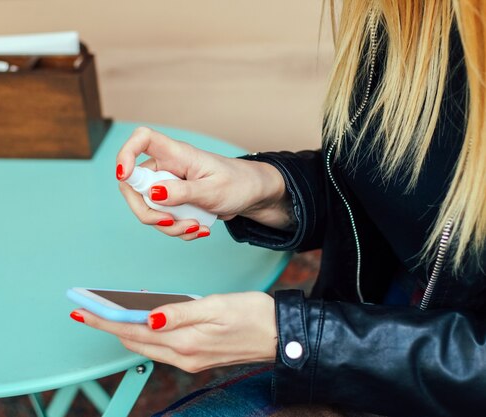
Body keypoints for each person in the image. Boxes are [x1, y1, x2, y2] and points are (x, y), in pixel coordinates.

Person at [69, 1, 486, 416]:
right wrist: (264, 186)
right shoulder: (402, 16)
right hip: (364, 340)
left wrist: (295, 337)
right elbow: (394, 188)